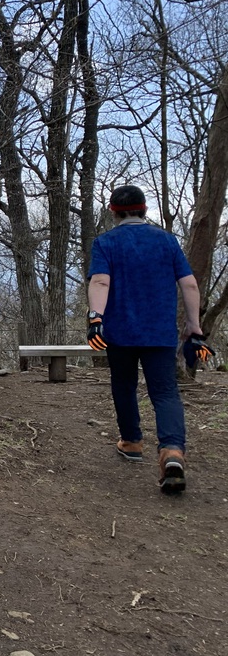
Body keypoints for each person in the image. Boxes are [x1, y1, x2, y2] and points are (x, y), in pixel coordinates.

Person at [86, 185, 203, 494]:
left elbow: (100, 281)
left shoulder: (106, 242)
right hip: (160, 333)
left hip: (120, 332)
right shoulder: (167, 240)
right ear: (145, 209)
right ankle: (172, 451)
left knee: (123, 385)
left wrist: (96, 319)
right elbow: (189, 285)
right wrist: (194, 327)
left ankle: (132, 442)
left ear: (113, 212)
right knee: (165, 393)